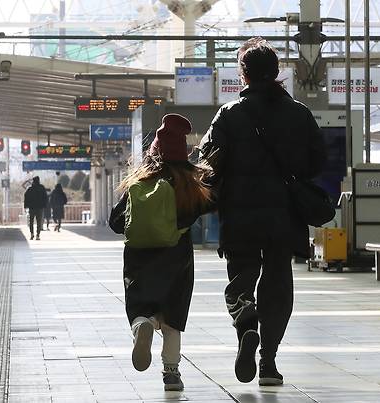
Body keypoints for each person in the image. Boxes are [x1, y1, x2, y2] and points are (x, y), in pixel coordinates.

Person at [197, 37, 326, 386]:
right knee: (278, 285)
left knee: (240, 280)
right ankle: (268, 361)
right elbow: (319, 161)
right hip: (284, 216)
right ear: (276, 72)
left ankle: (246, 321)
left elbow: (206, 164)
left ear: (243, 74)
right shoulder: (299, 113)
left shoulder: (229, 114)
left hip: (240, 215)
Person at [109, 114, 213, 391]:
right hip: (176, 256)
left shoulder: (138, 182)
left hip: (139, 258)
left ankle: (143, 323)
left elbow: (115, 223)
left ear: (153, 151)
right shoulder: (188, 183)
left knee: (141, 306)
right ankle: (171, 373)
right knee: (173, 316)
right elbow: (203, 209)